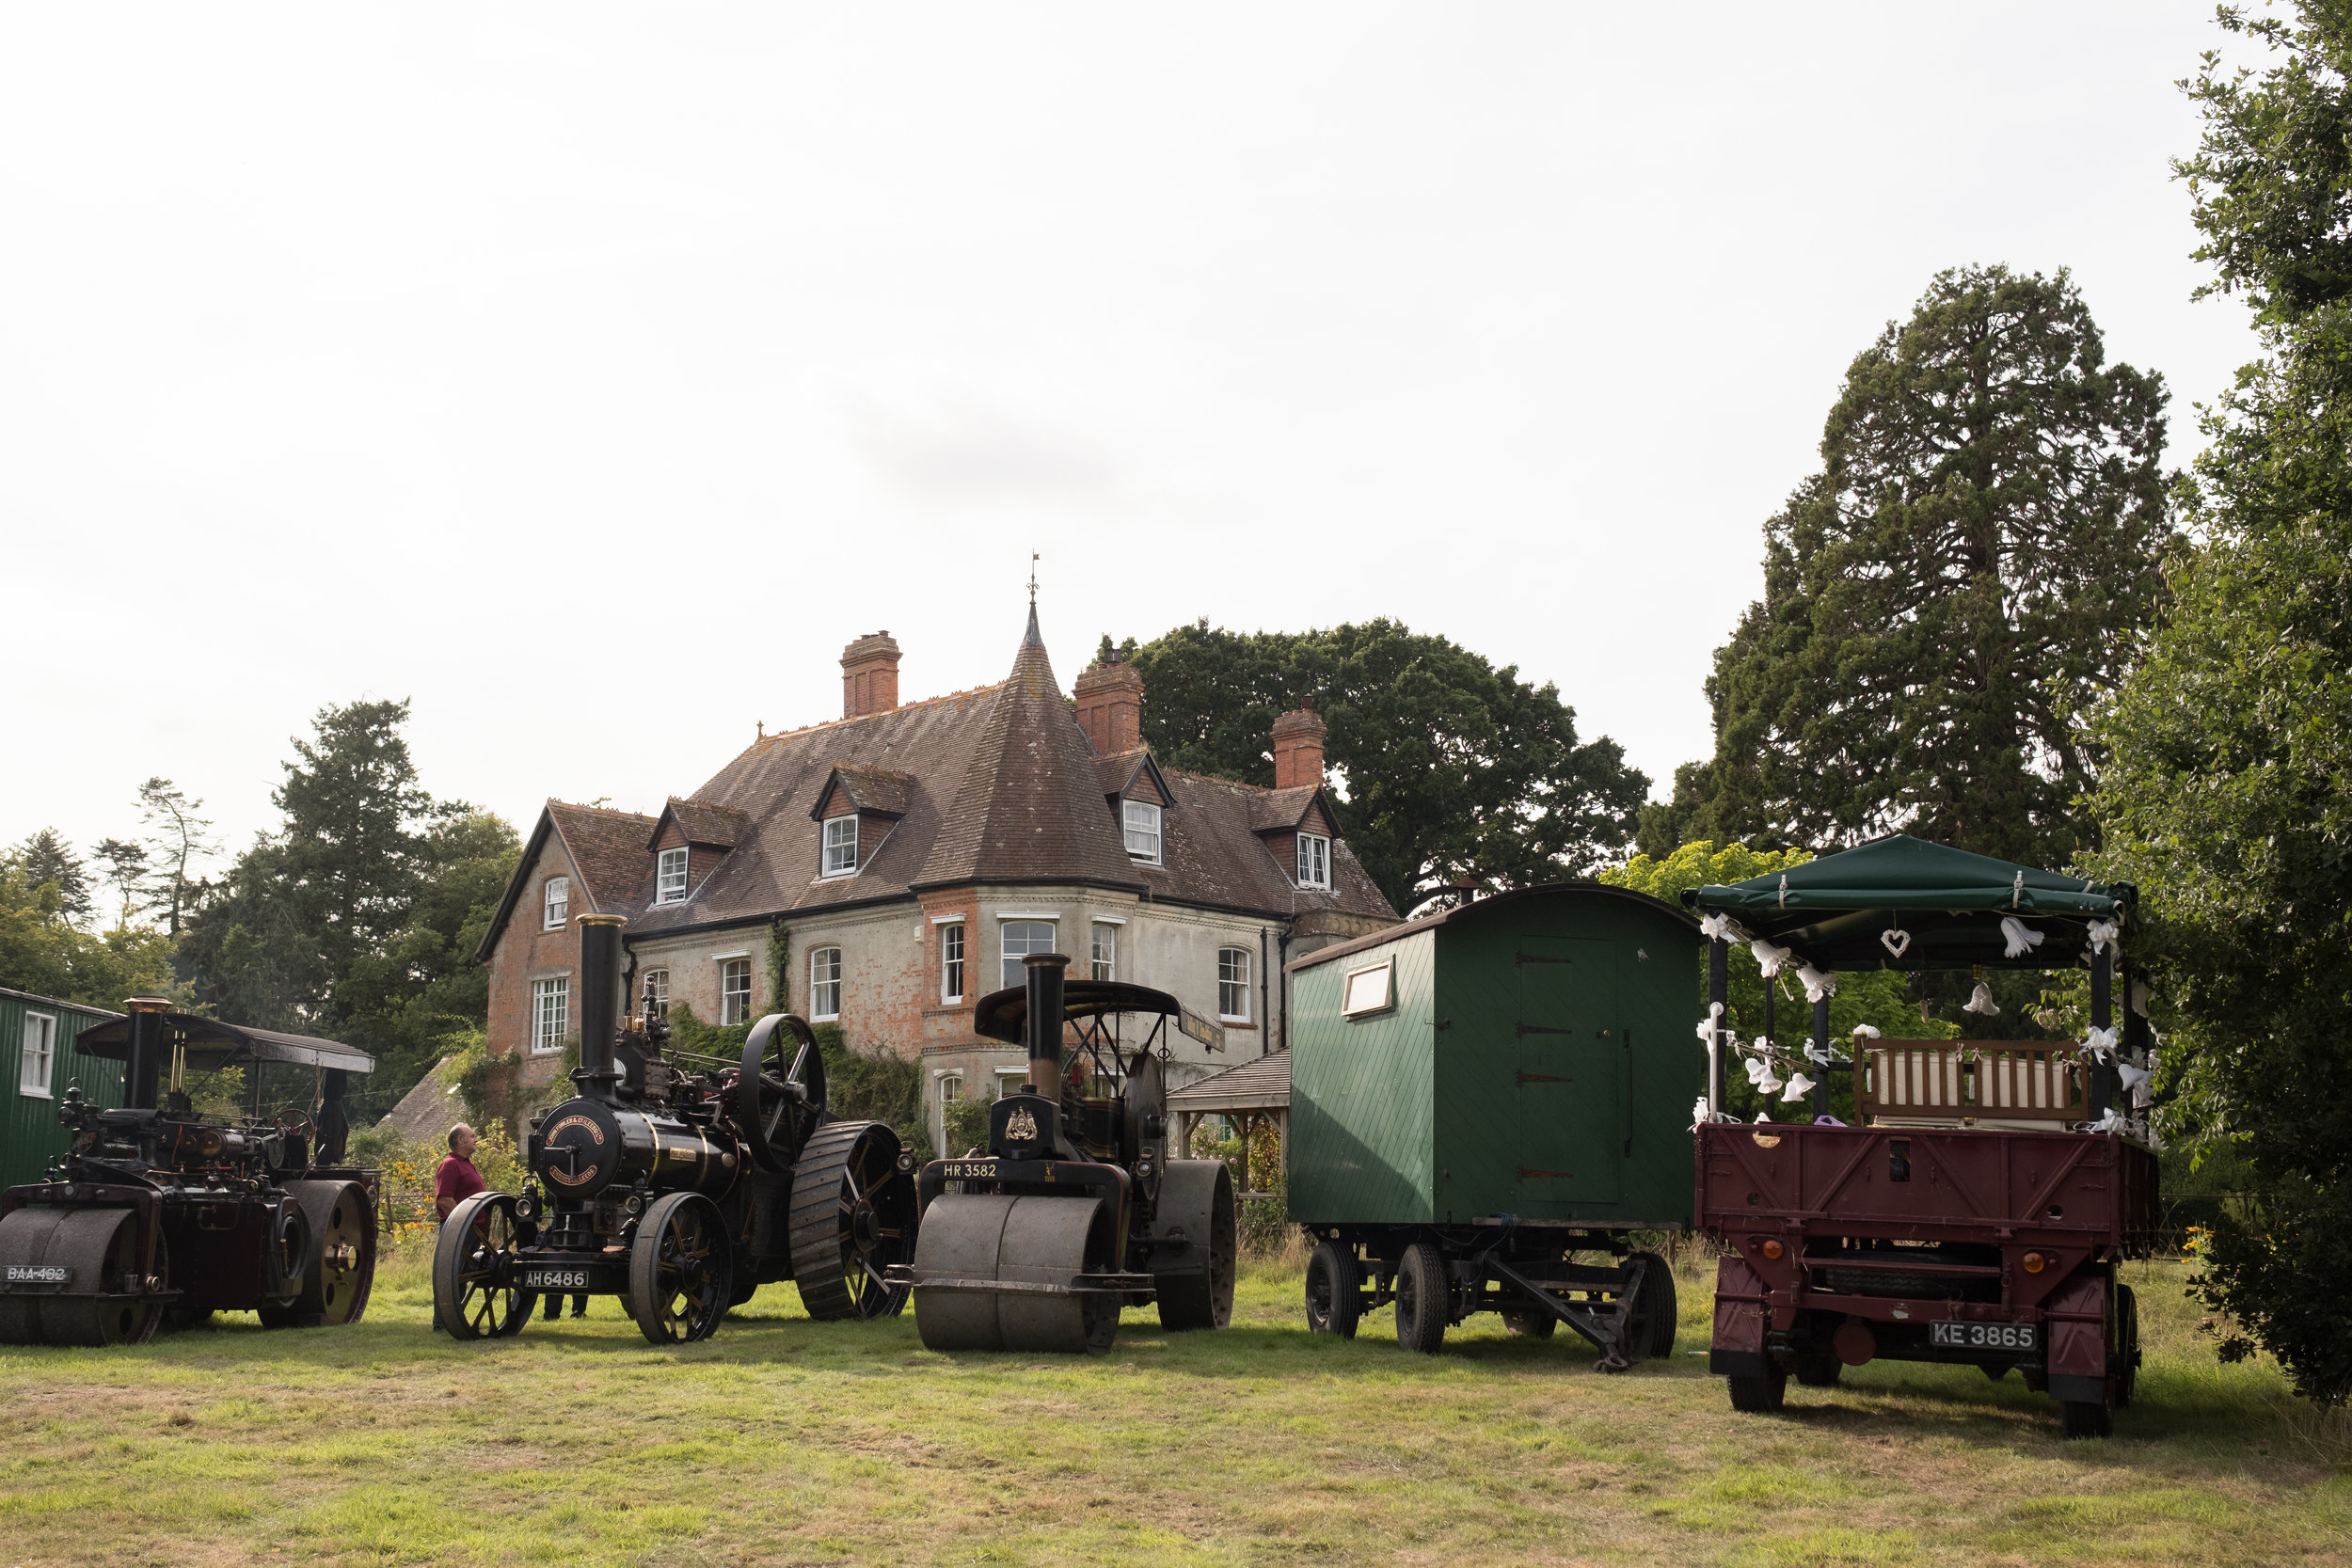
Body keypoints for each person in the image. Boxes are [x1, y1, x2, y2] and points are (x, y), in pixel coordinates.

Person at [430, 1124, 485, 1334]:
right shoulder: (450, 1165)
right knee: (449, 1275)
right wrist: (462, 1223)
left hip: (470, 1229)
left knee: (460, 1274)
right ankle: (441, 1322)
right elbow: (445, 1199)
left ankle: (453, 1319)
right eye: (472, 1136)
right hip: (459, 1228)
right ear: (460, 1141)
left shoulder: (467, 1164)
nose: (475, 1139)